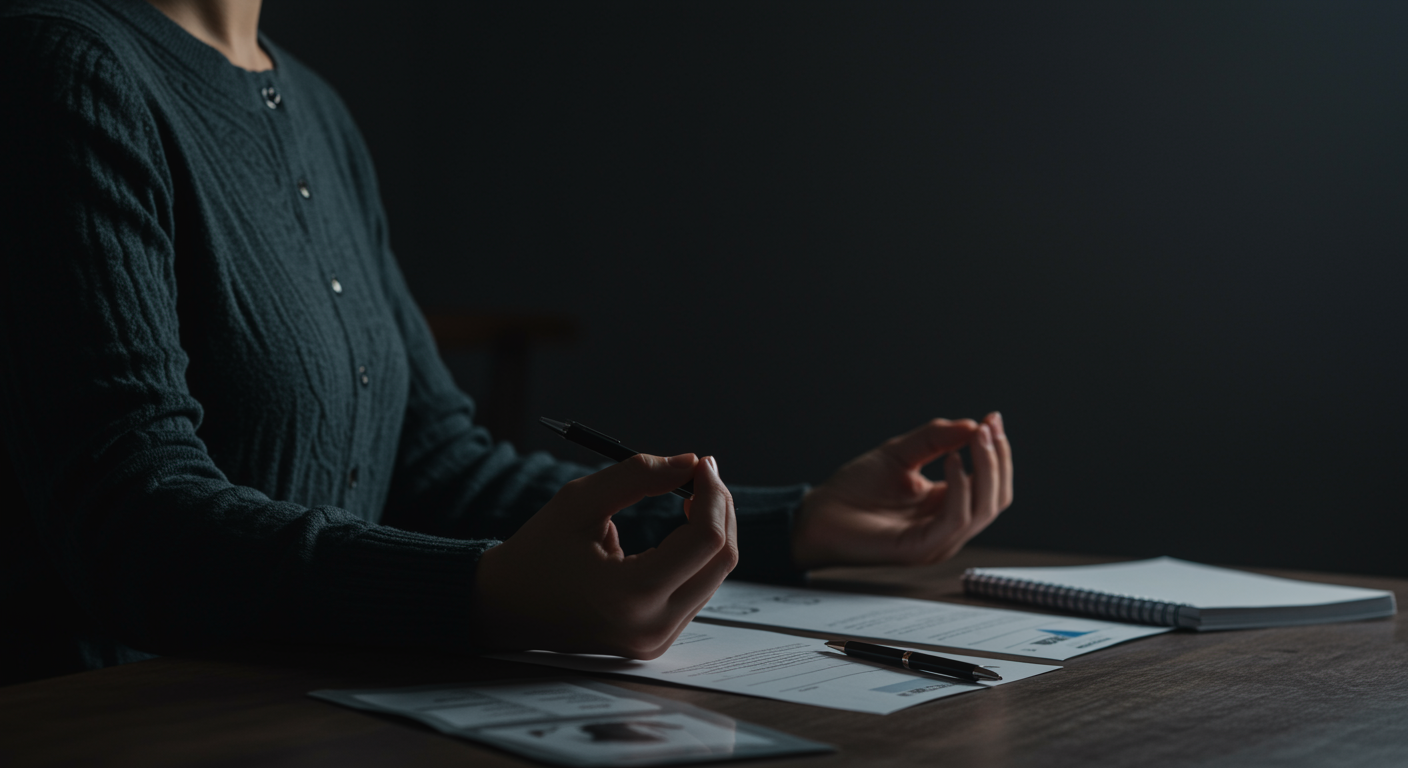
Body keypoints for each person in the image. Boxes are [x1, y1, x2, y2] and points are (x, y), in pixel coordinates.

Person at [0, 0, 1014, 685]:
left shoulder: (312, 106)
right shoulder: (64, 70)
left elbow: (429, 463)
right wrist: (476, 595)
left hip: (303, 715)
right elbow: (128, 523)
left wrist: (795, 523)